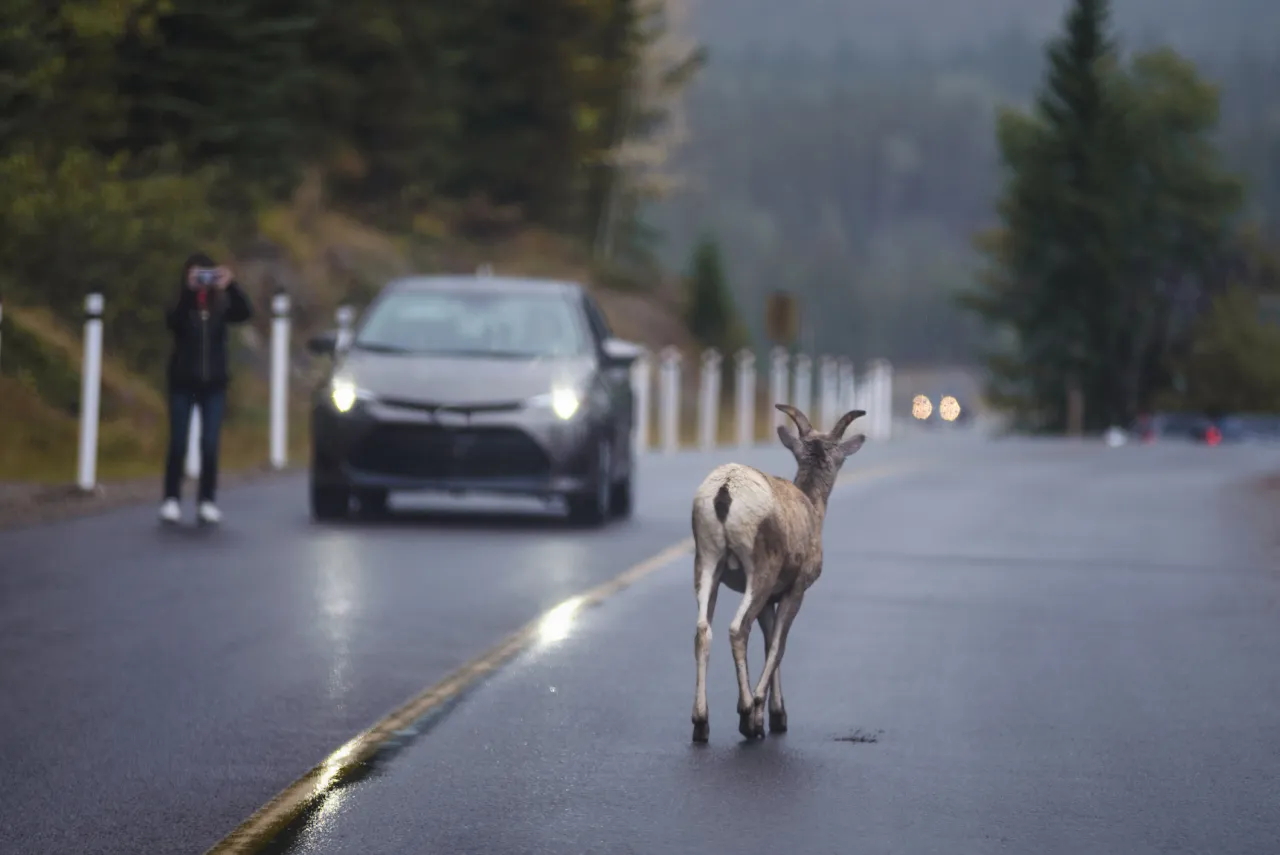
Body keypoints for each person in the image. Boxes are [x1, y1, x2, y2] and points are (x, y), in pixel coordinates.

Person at [158, 252, 253, 524]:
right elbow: (172, 323)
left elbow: (245, 313)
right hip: (182, 382)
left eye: (208, 275)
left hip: (214, 385)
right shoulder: (181, 303)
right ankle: (171, 498)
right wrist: (189, 294)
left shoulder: (222, 305)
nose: (204, 281)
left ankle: (207, 500)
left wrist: (231, 286)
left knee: (209, 444)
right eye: (198, 275)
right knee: (178, 443)